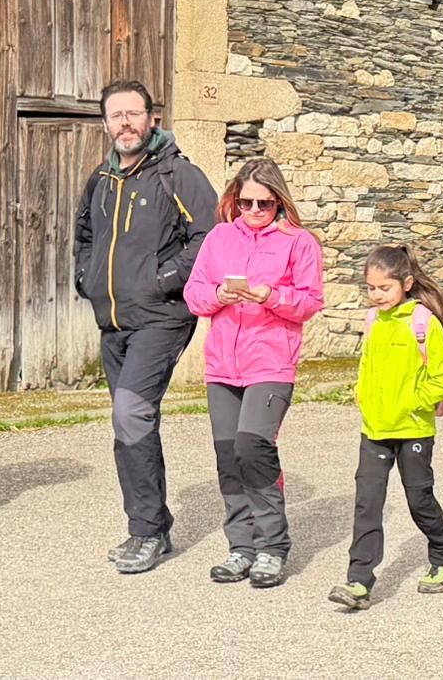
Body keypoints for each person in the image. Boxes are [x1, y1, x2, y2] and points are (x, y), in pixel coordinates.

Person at [75, 79, 219, 575]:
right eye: (115, 116)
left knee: (132, 415)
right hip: (113, 319)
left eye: (133, 114)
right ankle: (149, 523)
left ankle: (148, 532)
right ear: (106, 123)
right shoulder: (101, 178)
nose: (125, 124)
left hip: (162, 316)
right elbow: (86, 235)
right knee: (127, 420)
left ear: (151, 118)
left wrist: (165, 279)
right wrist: (85, 277)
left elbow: (210, 236)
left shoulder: (178, 174)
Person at [183, 158, 323, 589]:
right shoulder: (220, 238)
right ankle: (240, 546)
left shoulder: (299, 243)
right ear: (234, 200)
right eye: (246, 202)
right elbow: (194, 294)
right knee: (229, 457)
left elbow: (310, 301)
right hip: (223, 363)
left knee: (253, 448)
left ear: (279, 201)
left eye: (264, 203)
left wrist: (272, 296)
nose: (255, 210)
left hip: (271, 363)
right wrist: (219, 294)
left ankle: (272, 547)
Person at [327, 244, 443, 611]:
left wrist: (411, 401)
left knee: (419, 498)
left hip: (414, 429)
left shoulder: (422, 322)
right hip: (374, 430)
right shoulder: (373, 321)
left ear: (406, 283)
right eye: (370, 288)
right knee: (367, 504)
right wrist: (363, 396)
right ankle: (358, 581)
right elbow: (367, 365)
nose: (376, 295)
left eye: (383, 288)